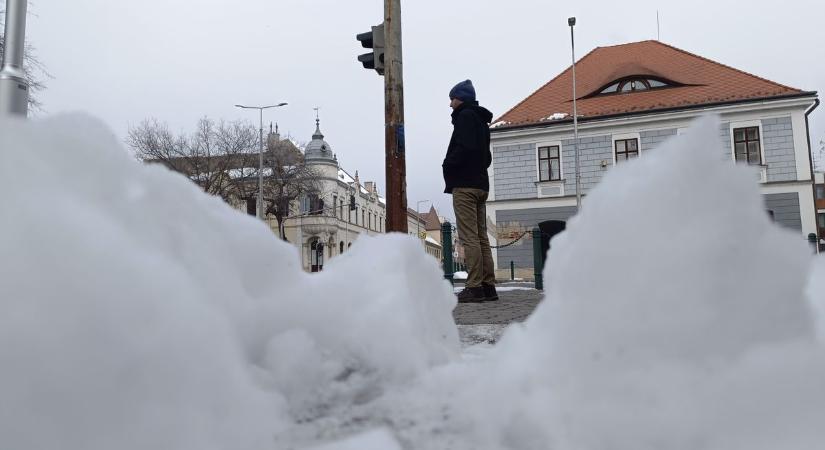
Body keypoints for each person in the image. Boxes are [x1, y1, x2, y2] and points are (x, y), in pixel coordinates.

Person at [442, 80, 498, 303]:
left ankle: (474, 287)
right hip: (481, 184)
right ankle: (488, 286)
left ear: (461, 98)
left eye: (452, 98)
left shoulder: (464, 117)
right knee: (482, 237)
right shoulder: (481, 121)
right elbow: (487, 156)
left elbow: (464, 149)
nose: (450, 104)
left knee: (469, 237)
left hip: (465, 184)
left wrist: (448, 164)